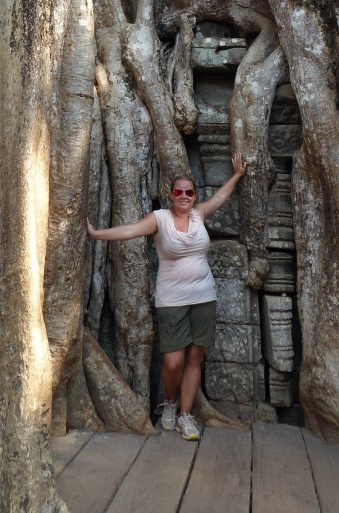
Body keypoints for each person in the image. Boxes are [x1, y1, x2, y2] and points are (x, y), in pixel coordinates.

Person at [86, 152, 247, 440]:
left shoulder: (199, 215)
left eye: (189, 192)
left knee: (195, 357)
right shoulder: (159, 219)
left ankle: (186, 415)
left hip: (203, 297)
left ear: (194, 196)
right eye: (178, 192)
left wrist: (236, 175)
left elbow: (221, 197)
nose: (184, 196)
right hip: (171, 300)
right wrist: (96, 234)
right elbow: (130, 230)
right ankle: (170, 402)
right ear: (171, 195)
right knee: (173, 362)